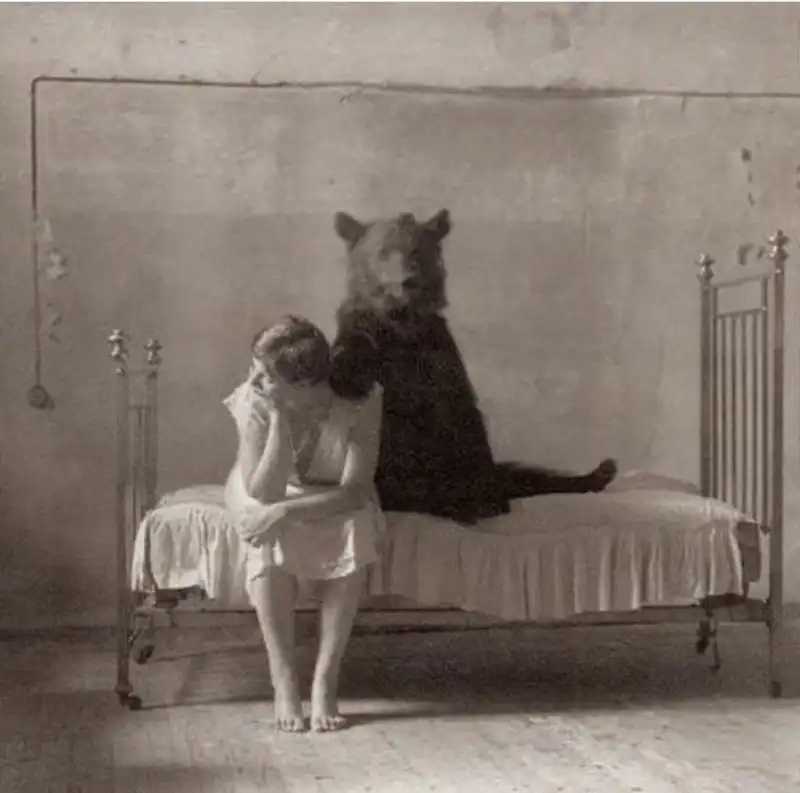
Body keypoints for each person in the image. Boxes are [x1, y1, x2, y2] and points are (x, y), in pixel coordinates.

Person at [223, 314, 385, 733]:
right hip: (266, 486)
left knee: (355, 525)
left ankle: (325, 682)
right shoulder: (256, 399)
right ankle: (283, 681)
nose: (253, 380)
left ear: (305, 381)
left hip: (330, 492)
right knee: (263, 531)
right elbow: (264, 492)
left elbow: (355, 491)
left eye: (264, 375)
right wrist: (278, 418)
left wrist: (285, 512)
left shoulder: (361, 399)